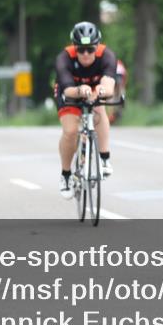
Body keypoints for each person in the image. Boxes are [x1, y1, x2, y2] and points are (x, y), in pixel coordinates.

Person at [54, 21, 118, 199]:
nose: (86, 54)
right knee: (71, 131)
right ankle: (66, 175)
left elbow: (109, 85)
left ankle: (104, 158)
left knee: (99, 109)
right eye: (81, 50)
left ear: (97, 46)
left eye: (90, 49)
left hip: (94, 90)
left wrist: (101, 91)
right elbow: (67, 90)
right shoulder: (64, 58)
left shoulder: (107, 56)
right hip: (71, 91)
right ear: (74, 47)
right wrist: (79, 90)